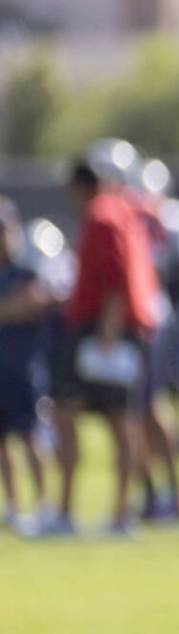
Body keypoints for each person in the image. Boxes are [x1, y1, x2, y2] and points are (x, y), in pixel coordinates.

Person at [40, 159, 162, 536]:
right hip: (117, 327)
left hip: (101, 331)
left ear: (80, 187)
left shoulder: (101, 214)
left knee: (77, 415)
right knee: (120, 420)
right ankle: (120, 514)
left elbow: (115, 276)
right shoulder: (124, 208)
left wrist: (106, 334)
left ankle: (69, 513)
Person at [0, 199, 53, 533]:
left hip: (22, 369)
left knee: (30, 436)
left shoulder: (28, 269)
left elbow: (33, 303)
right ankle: (14, 504)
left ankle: (45, 504)